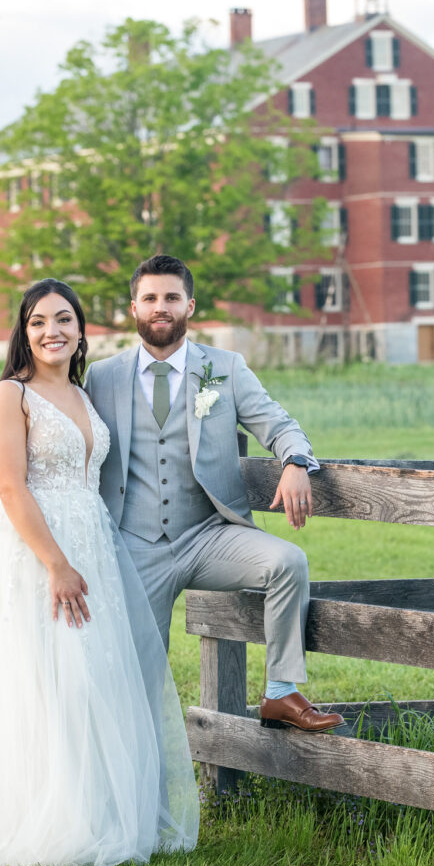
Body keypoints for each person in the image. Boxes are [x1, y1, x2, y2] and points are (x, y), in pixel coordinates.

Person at [0, 278, 198, 866]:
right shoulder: (8, 396)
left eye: (65, 320)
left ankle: (92, 811)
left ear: (81, 330)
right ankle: (32, 817)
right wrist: (56, 564)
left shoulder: (85, 393)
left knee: (90, 679)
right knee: (39, 682)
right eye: (40, 322)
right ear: (24, 334)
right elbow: (9, 486)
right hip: (34, 552)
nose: (54, 331)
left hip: (91, 542)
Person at [85, 255, 343, 733]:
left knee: (288, 563)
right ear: (134, 308)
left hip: (207, 535)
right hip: (134, 545)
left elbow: (278, 423)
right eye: (150, 298)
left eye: (171, 298)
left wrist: (294, 462)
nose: (160, 307)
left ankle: (281, 691)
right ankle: (141, 792)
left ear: (190, 305)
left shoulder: (223, 367)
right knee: (138, 691)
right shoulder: (102, 376)